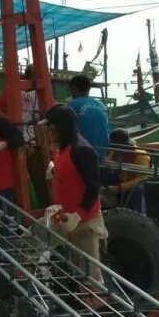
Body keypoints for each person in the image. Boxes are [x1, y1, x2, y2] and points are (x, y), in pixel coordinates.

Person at [44, 104, 107, 296]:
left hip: (84, 221)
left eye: (52, 130)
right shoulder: (63, 149)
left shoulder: (82, 150)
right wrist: (54, 169)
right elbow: (71, 175)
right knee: (75, 265)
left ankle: (97, 311)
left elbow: (93, 188)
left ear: (61, 129)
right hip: (62, 217)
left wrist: (78, 216)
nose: (50, 134)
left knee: (91, 275)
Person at [103, 128, 150, 213]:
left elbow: (142, 179)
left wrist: (120, 188)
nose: (113, 149)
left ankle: (134, 214)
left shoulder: (140, 156)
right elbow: (108, 166)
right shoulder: (115, 153)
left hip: (134, 185)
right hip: (121, 181)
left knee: (138, 190)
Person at [68, 75, 110, 161]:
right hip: (101, 156)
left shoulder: (72, 105)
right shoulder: (101, 105)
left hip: (81, 156)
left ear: (73, 88)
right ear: (88, 89)